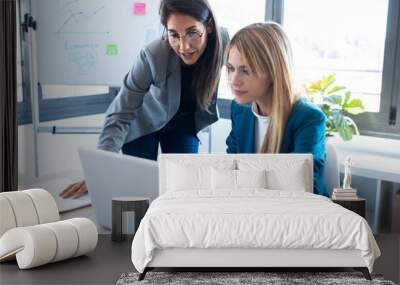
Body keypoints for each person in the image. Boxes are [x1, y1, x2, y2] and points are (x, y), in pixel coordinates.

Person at [60, 0, 227, 199]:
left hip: (184, 124)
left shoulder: (223, 41)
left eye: (192, 32)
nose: (184, 46)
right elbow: (120, 114)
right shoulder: (153, 54)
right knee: (138, 193)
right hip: (144, 123)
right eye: (174, 34)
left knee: (184, 188)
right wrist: (100, 171)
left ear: (208, 26)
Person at [225, 22, 328, 196]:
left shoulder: (309, 119)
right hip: (250, 207)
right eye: (230, 69)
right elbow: (231, 170)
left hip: (296, 213)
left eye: (246, 70)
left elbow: (303, 187)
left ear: (273, 71)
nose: (234, 80)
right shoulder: (239, 109)